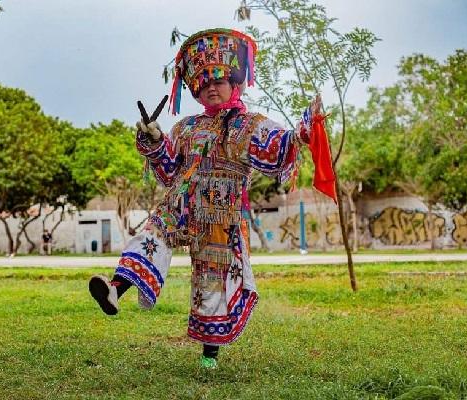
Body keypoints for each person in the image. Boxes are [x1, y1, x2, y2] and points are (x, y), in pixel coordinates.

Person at [89, 28, 337, 369]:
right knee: (151, 235)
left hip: (221, 216)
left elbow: (280, 146)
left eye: (218, 81)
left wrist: (303, 130)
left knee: (211, 284)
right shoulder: (185, 127)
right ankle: (115, 289)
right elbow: (168, 171)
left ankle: (209, 357)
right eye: (203, 84)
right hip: (180, 203)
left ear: (234, 83)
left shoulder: (250, 124)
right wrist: (156, 139)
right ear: (196, 91)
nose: (211, 87)